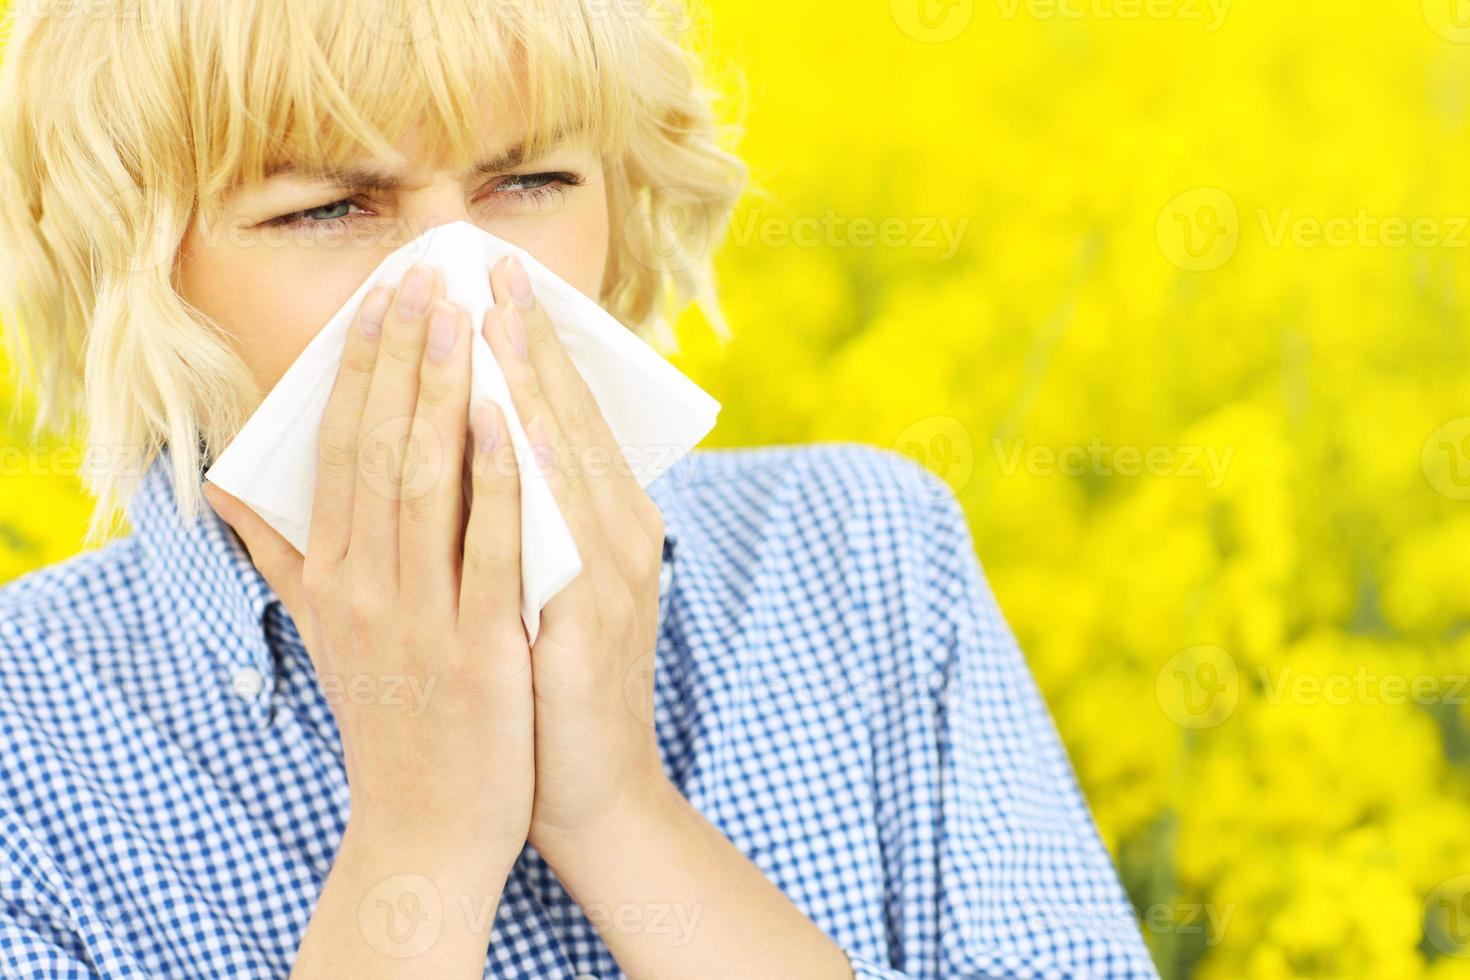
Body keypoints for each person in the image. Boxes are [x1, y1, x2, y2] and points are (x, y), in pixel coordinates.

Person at [0, 1, 1157, 977]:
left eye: (531, 180)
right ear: (130, 268)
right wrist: (422, 841)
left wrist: (619, 812)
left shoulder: (864, 554)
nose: (460, 289)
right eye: (327, 207)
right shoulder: (29, 732)